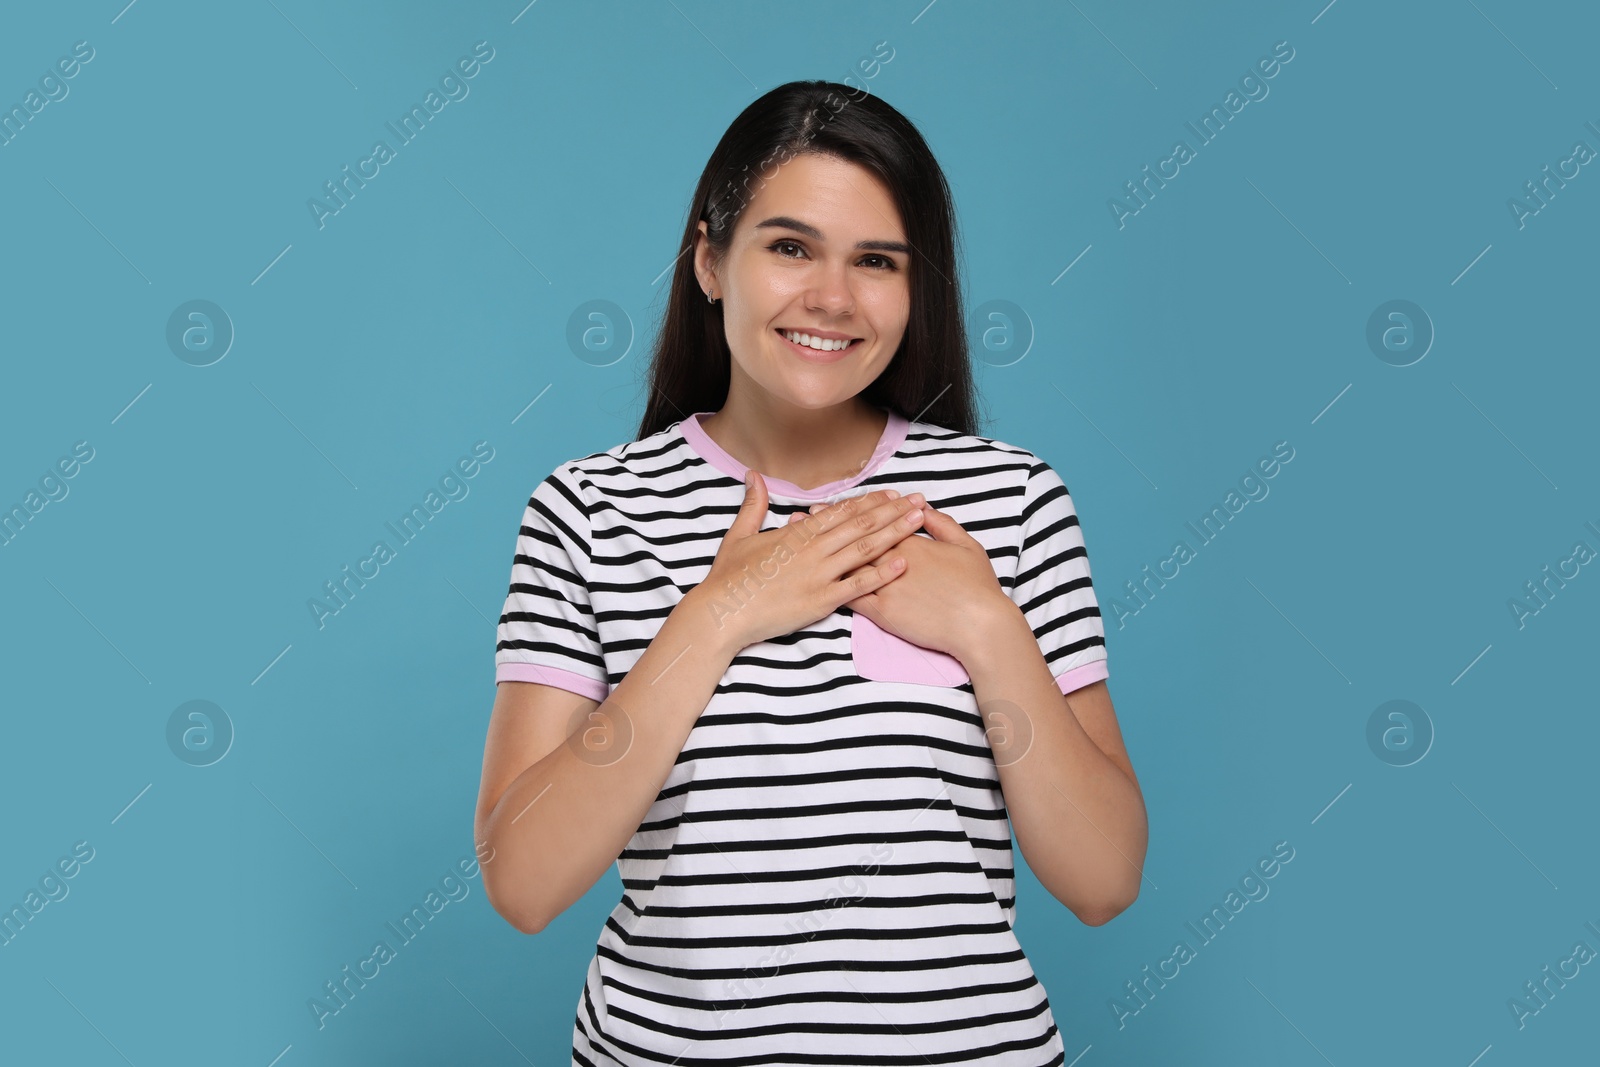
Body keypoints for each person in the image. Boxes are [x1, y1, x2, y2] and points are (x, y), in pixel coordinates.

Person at [473, 79, 1147, 1066]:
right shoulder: (589, 511)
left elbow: (1102, 879)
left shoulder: (1010, 499)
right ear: (709, 258)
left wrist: (986, 627)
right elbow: (523, 881)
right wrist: (718, 614)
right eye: (789, 246)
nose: (831, 297)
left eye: (876, 261)